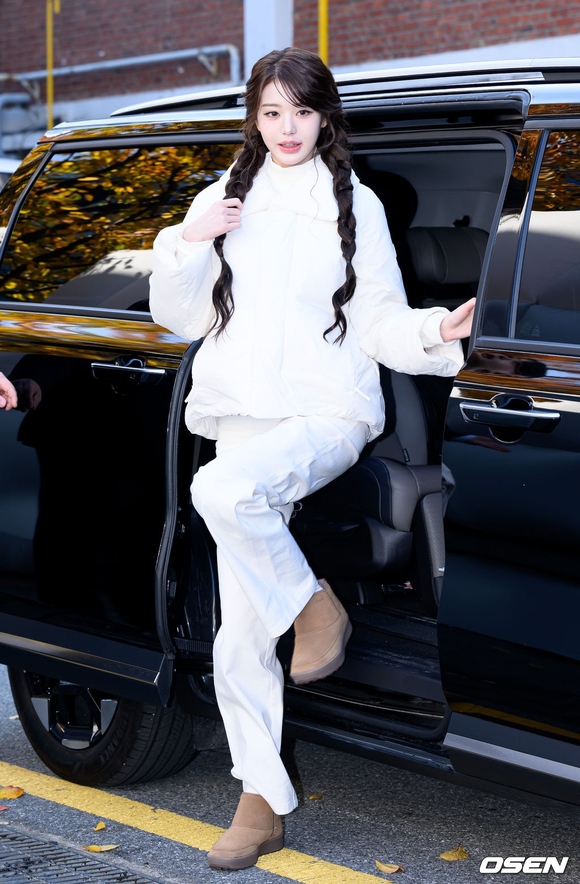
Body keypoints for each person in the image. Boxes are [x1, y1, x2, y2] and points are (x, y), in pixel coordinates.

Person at [149, 46, 474, 871]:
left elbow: (379, 320)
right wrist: (188, 240)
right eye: (271, 112)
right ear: (254, 118)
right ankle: (260, 801)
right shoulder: (222, 198)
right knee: (236, 636)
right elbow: (182, 320)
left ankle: (315, 610)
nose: (287, 128)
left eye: (301, 111)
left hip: (327, 412)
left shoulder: (353, 202)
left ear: (325, 116)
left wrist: (435, 330)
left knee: (221, 490)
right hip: (241, 413)